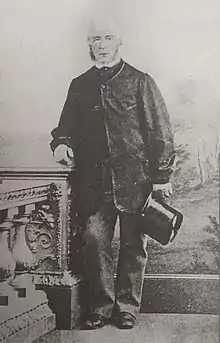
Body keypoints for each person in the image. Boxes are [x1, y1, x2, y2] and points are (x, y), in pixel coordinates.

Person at [50, 19, 175, 330]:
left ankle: (127, 308)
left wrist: (161, 175)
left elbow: (161, 130)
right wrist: (61, 145)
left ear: (120, 42)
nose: (102, 44)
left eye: (108, 38)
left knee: (134, 245)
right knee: (94, 240)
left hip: (136, 181)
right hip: (94, 182)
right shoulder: (79, 84)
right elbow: (64, 128)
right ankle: (101, 307)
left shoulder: (141, 82)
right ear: (89, 44)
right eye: (96, 39)